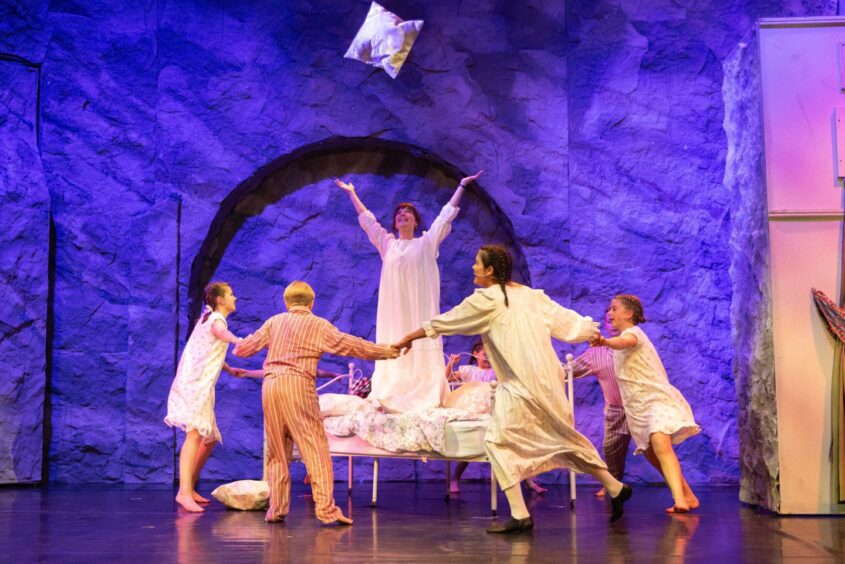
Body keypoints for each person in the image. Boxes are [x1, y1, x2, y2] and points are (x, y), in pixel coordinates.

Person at [395, 246, 632, 533]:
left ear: (490, 270)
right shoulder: (529, 296)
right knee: (561, 438)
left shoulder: (488, 299)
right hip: (545, 381)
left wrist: (409, 337)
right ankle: (615, 487)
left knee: (497, 442)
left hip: (520, 384)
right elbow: (566, 320)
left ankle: (521, 514)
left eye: (476, 263)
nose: (472, 268)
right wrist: (592, 333)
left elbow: (447, 321)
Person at [233, 281, 399, 525]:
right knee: (315, 448)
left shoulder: (274, 322)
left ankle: (276, 509)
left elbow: (242, 350)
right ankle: (326, 510)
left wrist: (240, 341)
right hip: (297, 385)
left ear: (286, 302)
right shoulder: (317, 325)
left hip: (271, 387)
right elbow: (351, 344)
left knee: (278, 451)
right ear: (311, 303)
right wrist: (384, 351)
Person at [334, 170, 482, 413]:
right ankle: (392, 392)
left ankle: (424, 392)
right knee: (394, 340)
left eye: (408, 213)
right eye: (399, 213)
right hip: (394, 312)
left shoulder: (426, 243)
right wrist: (352, 193)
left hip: (420, 309)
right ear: (395, 223)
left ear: (415, 222)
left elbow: (445, 217)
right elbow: (368, 221)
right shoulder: (388, 244)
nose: (403, 215)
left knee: (421, 338)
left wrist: (462, 186)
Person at [594, 294, 700, 513]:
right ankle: (688, 496)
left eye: (614, 309)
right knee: (652, 453)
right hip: (637, 406)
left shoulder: (633, 334)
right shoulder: (621, 339)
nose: (610, 314)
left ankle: (679, 501)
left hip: (654, 399)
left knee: (661, 445)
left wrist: (604, 341)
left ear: (628, 313)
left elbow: (623, 342)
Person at [165, 281, 244, 513]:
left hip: (198, 383)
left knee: (208, 439)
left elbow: (208, 349)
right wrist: (238, 340)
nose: (235, 298)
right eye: (231, 294)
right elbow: (221, 334)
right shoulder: (217, 320)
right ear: (220, 300)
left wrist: (228, 369)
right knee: (195, 434)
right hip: (195, 384)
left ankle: (189, 486)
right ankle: (183, 492)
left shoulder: (206, 318)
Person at [446, 342, 547, 496]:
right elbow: (447, 378)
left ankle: (529, 481)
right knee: (470, 449)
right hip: (474, 410)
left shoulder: (497, 372)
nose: (488, 359)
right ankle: (455, 479)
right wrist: (451, 364)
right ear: (476, 354)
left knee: (515, 445)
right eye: (485, 355)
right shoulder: (468, 370)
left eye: (491, 355)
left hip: (495, 409)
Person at [570, 309, 631, 497]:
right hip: (616, 409)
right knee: (612, 449)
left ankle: (678, 490)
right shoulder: (596, 352)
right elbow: (569, 371)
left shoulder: (634, 343)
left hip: (640, 406)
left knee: (655, 448)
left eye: (615, 320)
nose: (612, 324)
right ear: (605, 325)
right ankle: (614, 485)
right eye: (608, 321)